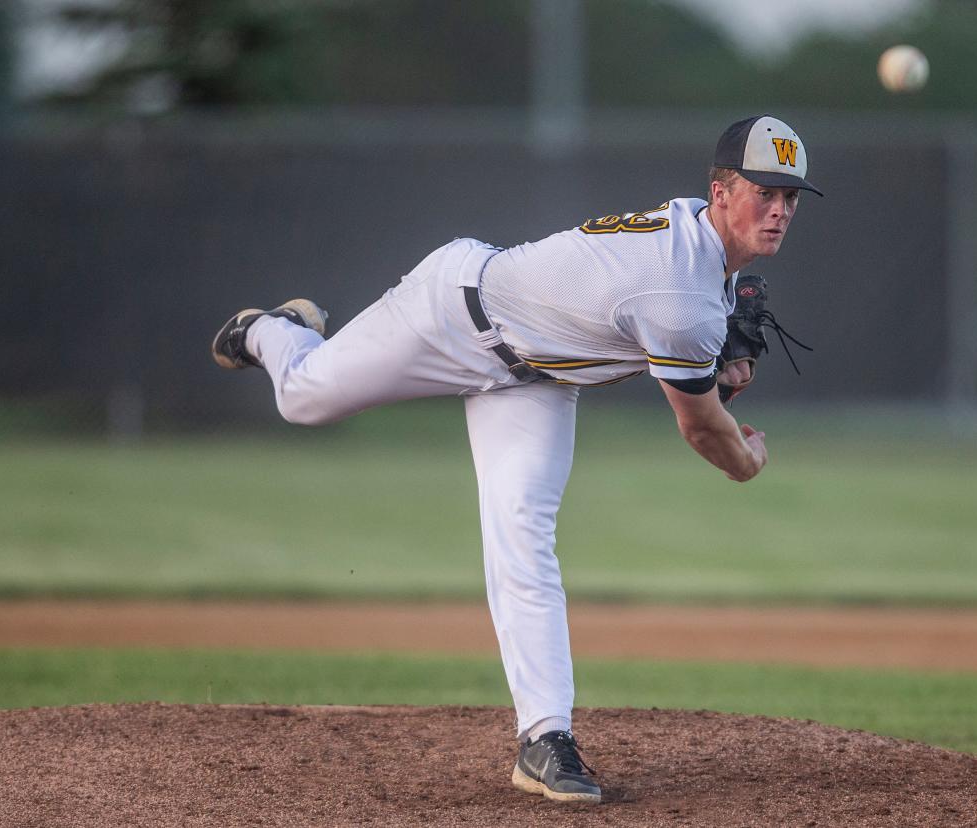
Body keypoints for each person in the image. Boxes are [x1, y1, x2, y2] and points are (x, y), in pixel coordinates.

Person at [211, 114, 820, 804]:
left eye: (790, 197)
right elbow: (702, 428)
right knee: (301, 397)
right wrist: (745, 458)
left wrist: (716, 367)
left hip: (536, 380)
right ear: (719, 192)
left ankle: (545, 737)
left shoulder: (693, 243)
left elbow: (680, 333)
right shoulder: (683, 296)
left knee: (523, 536)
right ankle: (272, 330)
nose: (777, 210)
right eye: (761, 191)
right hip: (451, 314)